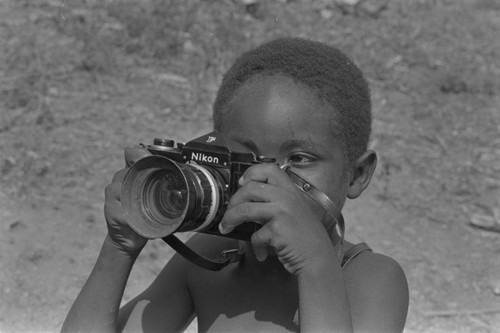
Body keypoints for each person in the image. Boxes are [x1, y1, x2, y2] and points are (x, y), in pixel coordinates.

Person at [62, 37, 409, 332]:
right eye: (244, 158)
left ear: (358, 174)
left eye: (300, 159)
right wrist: (119, 247)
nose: (267, 179)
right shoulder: (211, 260)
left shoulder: (371, 278)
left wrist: (314, 263)